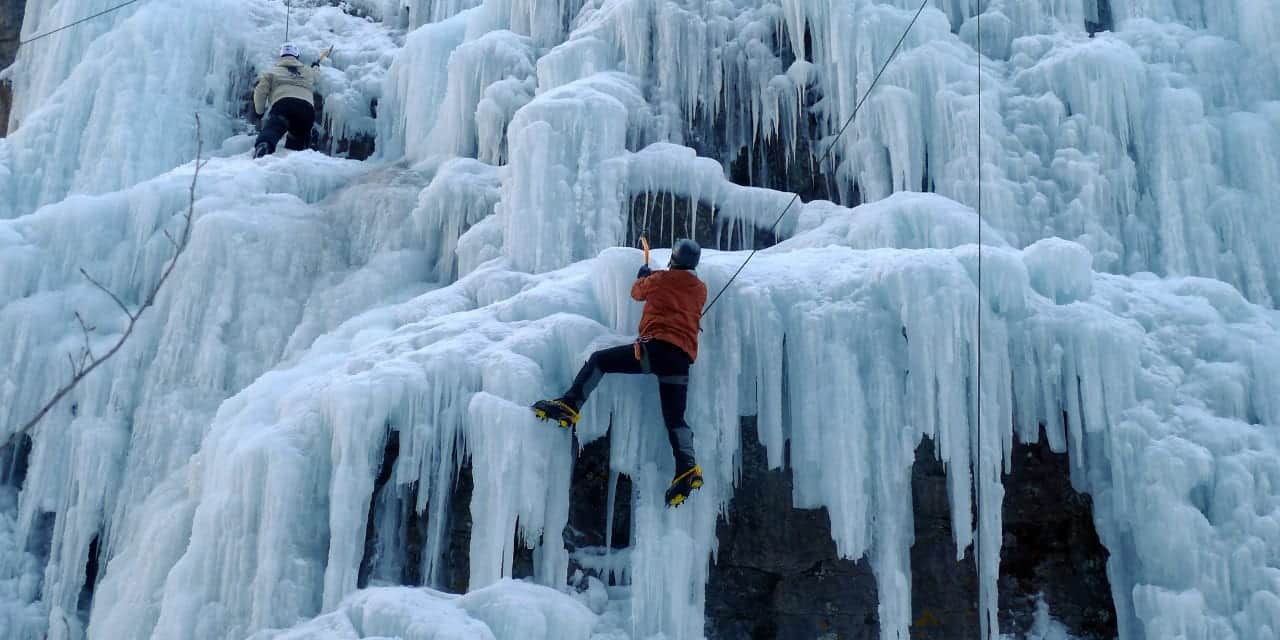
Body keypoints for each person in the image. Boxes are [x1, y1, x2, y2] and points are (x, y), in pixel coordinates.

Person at [533, 239, 708, 507]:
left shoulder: (660, 279)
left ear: (673, 258)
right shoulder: (700, 289)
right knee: (675, 419)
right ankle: (687, 467)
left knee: (599, 360)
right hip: (681, 361)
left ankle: (569, 405)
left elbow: (637, 293)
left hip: (655, 351)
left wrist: (643, 276)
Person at [252, 43, 320, 158]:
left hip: (284, 104)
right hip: (306, 109)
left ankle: (265, 146)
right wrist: (316, 67)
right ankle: (295, 161)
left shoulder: (272, 71)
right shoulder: (308, 71)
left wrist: (259, 112)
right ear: (296, 56)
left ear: (281, 56)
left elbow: (260, 91)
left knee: (274, 127)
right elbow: (316, 77)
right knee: (298, 139)